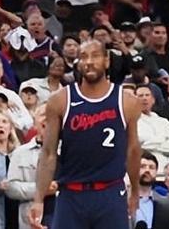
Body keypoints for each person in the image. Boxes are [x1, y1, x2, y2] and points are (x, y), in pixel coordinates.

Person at [29, 39, 141, 228]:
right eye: (83, 57)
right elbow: (48, 153)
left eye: (95, 56)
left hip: (111, 192)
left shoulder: (126, 101)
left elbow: (133, 150)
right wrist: (39, 199)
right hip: (71, 194)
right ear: (77, 63)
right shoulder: (60, 100)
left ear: (107, 60)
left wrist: (135, 192)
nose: (89, 61)